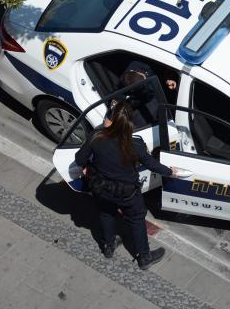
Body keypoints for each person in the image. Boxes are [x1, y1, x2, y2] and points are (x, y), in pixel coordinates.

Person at [75, 101, 174, 270]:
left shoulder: (96, 137)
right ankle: (144, 257)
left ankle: (108, 246)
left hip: (101, 188)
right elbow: (152, 165)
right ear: (130, 124)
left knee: (106, 214)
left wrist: (85, 167)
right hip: (127, 193)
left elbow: (79, 159)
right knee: (136, 220)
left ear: (110, 121)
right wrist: (171, 171)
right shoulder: (134, 145)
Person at [104, 60, 178, 129]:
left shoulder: (138, 64)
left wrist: (167, 79)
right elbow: (114, 107)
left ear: (136, 71)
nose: (145, 77)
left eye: (143, 76)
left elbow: (160, 70)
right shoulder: (122, 92)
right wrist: (111, 118)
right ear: (132, 90)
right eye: (144, 82)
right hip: (146, 102)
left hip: (158, 90)